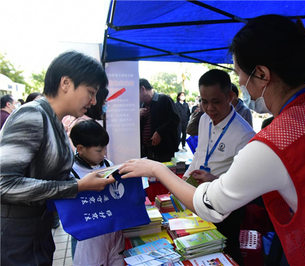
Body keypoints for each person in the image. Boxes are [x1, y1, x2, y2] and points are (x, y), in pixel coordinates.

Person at [119, 15, 305, 266]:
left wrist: (156, 169)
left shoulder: (274, 142)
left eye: (241, 75)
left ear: (262, 75)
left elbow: (209, 206)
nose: (241, 85)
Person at [0, 51, 115, 266]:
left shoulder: (57, 123)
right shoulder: (32, 116)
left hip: (38, 230)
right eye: (90, 92)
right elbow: (4, 184)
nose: (93, 101)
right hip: (16, 235)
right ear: (65, 83)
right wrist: (77, 186)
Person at [185, 69, 257, 265]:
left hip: (226, 205)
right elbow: (200, 153)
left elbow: (244, 185)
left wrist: (214, 179)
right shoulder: (204, 119)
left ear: (230, 96)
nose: (209, 108)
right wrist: (184, 180)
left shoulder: (245, 135)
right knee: (200, 245)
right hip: (200, 195)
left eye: (215, 101)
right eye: (203, 101)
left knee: (225, 248)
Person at [69, 120, 125, 266]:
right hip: (87, 234)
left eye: (105, 148)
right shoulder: (70, 171)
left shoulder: (108, 165)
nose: (104, 154)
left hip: (111, 228)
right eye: (99, 150)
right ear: (80, 149)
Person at [139, 78, 180, 162]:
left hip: (163, 151)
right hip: (147, 151)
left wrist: (160, 132)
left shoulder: (164, 100)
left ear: (143, 89)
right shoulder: (142, 105)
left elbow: (175, 119)